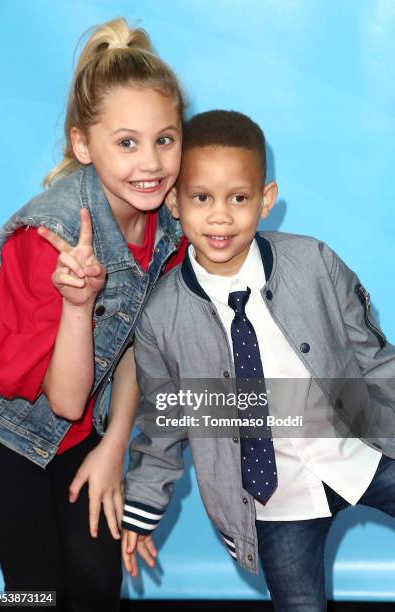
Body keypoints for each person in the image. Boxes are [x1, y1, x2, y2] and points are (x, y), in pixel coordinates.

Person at [121, 110, 395, 611]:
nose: (220, 216)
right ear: (174, 202)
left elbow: (373, 359)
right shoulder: (161, 317)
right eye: (201, 198)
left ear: (265, 200)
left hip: (358, 455)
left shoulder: (315, 262)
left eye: (239, 199)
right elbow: (163, 426)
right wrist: (142, 508)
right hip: (273, 501)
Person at [0, 17, 187, 612]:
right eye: (126, 142)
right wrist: (78, 306)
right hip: (7, 434)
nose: (150, 162)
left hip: (85, 434)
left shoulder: (165, 226)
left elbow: (135, 346)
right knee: (34, 592)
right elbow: (66, 400)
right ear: (82, 145)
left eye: (165, 139)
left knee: (99, 587)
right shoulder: (47, 238)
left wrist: (114, 446)